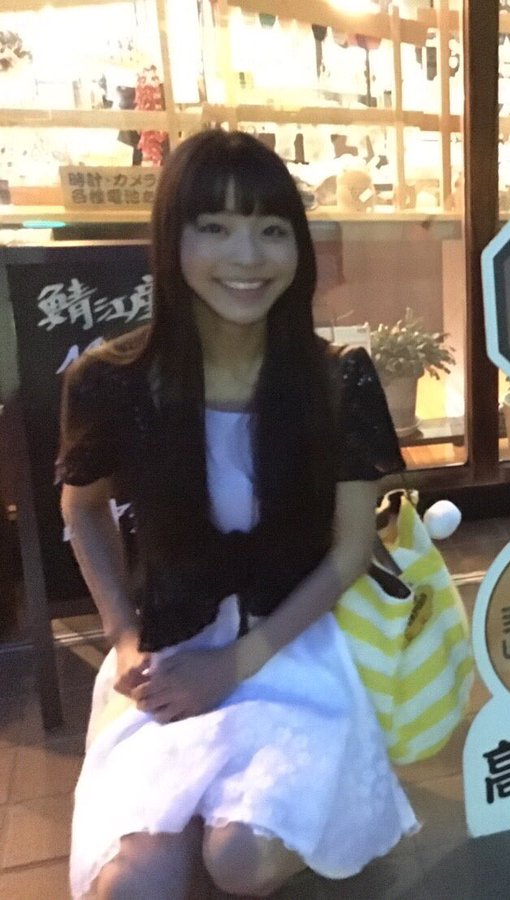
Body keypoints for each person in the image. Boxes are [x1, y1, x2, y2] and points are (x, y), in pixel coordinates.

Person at [58, 129, 418, 898]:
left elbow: (350, 553)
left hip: (291, 646)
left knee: (241, 863)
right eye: (215, 228)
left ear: (299, 247)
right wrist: (122, 636)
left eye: (271, 230)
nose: (247, 257)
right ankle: (199, 804)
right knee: (132, 887)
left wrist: (233, 667)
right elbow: (81, 509)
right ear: (172, 241)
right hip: (165, 646)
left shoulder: (337, 381)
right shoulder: (112, 380)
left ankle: (250, 808)